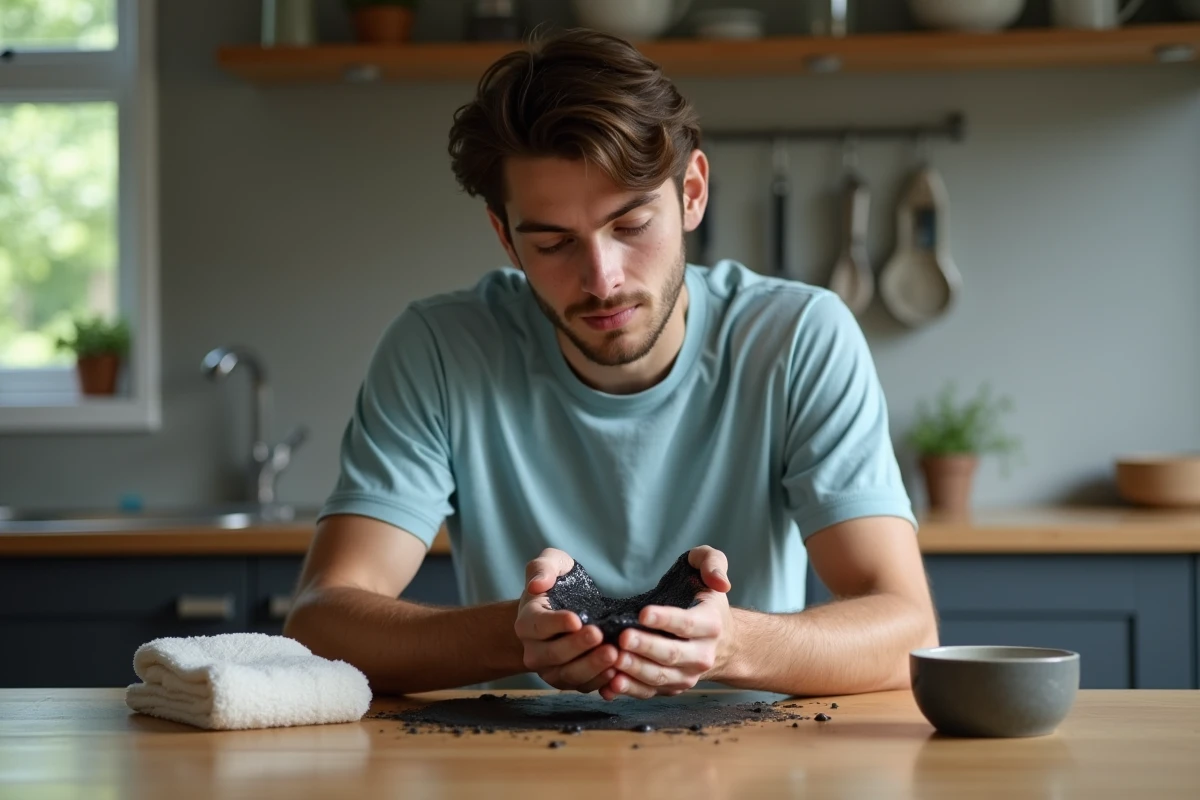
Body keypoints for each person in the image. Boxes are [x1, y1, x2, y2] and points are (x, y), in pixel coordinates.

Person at [284, 28, 937, 700]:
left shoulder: (800, 336)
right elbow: (323, 619)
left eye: (630, 226)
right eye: (554, 242)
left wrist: (732, 643)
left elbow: (907, 632)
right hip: (511, 760)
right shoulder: (439, 349)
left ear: (691, 193)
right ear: (506, 237)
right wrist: (515, 636)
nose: (602, 279)